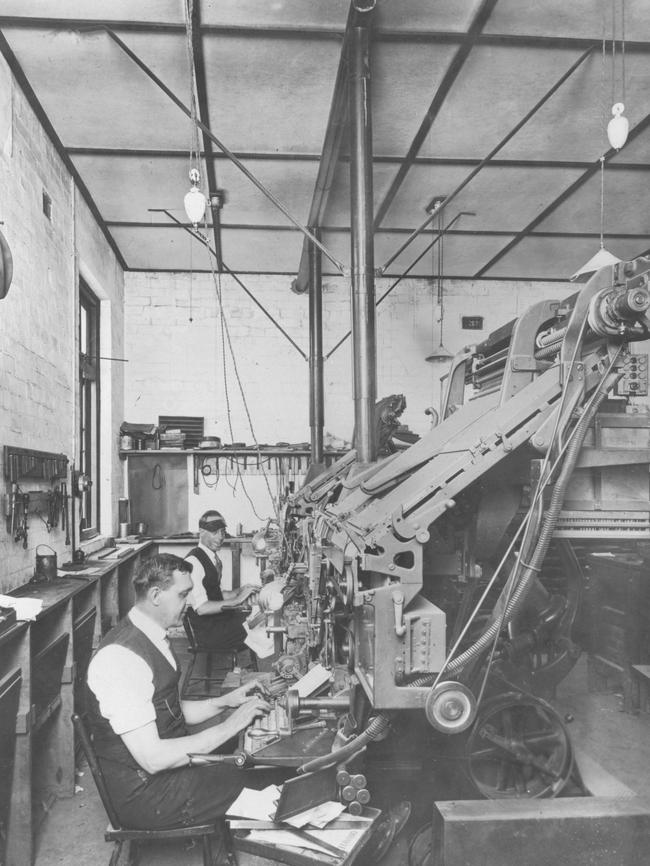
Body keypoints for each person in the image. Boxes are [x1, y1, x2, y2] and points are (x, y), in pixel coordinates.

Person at [86, 553, 285, 830]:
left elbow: (171, 711)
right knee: (261, 778)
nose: (190, 603)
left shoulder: (151, 635)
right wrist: (232, 724)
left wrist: (226, 701)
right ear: (156, 595)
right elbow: (153, 759)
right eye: (183, 595)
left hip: (164, 775)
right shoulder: (121, 658)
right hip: (147, 795)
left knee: (255, 759)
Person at [184, 510, 259, 653]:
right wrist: (237, 599)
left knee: (255, 615)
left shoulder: (213, 559)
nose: (220, 538)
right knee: (257, 625)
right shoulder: (194, 562)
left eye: (223, 532)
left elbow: (217, 594)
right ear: (201, 532)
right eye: (215, 532)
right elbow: (202, 608)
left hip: (217, 623)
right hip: (209, 633)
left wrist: (242, 590)